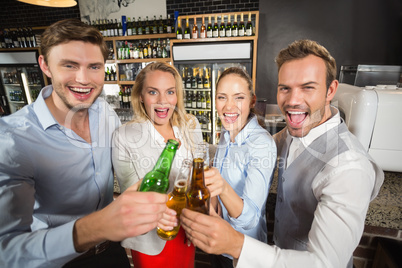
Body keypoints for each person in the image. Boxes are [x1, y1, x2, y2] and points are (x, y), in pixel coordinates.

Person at [180, 39, 384, 268]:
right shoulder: (293, 133)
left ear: (331, 90)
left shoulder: (350, 166)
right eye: (285, 88)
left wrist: (235, 245)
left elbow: (324, 264)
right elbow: (240, 150)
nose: (293, 100)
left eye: (308, 87)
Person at [0, 19, 174, 268]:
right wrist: (97, 226)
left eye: (94, 67)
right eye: (69, 65)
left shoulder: (105, 113)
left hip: (112, 252)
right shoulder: (12, 139)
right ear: (45, 65)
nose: (83, 79)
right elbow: (7, 253)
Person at [112, 62, 203, 268]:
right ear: (140, 96)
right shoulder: (124, 136)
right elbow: (131, 194)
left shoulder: (191, 125)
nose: (163, 102)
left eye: (170, 92)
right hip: (150, 238)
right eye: (153, 92)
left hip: (187, 230)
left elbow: (197, 177)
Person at [204, 67, 276, 268]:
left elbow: (250, 218)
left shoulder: (261, 144)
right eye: (222, 97)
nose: (229, 106)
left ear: (252, 101)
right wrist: (212, 212)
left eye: (239, 98)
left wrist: (222, 186)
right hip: (218, 245)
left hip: (244, 255)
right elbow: (215, 187)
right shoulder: (225, 135)